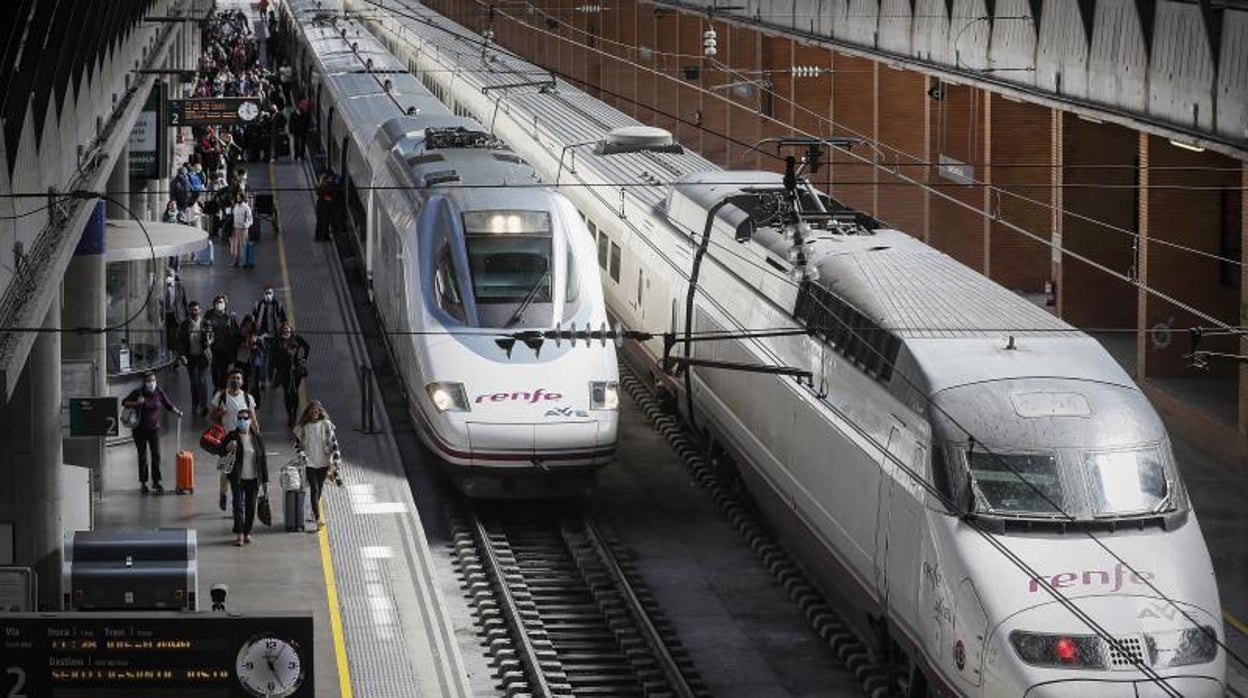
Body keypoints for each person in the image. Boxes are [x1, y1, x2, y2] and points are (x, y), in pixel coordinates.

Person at [121, 371, 183, 495]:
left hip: (154, 428)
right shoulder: (138, 393)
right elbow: (124, 402)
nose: (152, 383)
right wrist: (137, 403)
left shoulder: (158, 392)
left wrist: (177, 412)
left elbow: (167, 404)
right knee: (142, 456)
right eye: (149, 381)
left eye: (153, 380)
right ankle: (143, 482)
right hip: (139, 429)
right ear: (145, 382)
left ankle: (156, 481)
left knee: (156, 455)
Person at [212, 370, 259, 512]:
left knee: (241, 472)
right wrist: (220, 413)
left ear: (242, 381)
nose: (236, 381)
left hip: (244, 440)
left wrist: (257, 437)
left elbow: (253, 419)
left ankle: (238, 502)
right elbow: (211, 416)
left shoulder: (247, 398)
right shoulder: (221, 396)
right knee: (226, 472)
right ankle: (223, 493)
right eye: (233, 378)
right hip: (227, 441)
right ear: (228, 379)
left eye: (238, 378)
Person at [220, 407, 268, 546]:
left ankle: (247, 532)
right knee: (238, 506)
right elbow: (221, 451)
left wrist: (265, 481)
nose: (242, 421)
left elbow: (263, 459)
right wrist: (228, 447)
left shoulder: (257, 438)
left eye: (245, 418)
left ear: (250, 420)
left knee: (250, 507)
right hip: (237, 478)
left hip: (253, 479)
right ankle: (239, 534)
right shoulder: (231, 436)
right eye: (239, 418)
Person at [293, 401, 340, 530]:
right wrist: (302, 455)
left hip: (324, 462)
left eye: (317, 411)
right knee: (314, 489)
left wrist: (335, 461)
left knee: (319, 489)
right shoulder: (303, 428)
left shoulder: (326, 425)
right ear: (308, 412)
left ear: (320, 412)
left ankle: (314, 512)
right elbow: (297, 445)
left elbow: (334, 444)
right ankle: (318, 518)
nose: (315, 413)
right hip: (310, 463)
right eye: (312, 411)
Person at [271, 323, 310, 427]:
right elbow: (272, 357)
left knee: (295, 391)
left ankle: (294, 413)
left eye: (287, 329)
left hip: (295, 370)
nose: (286, 331)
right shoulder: (277, 341)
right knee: (287, 392)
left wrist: (304, 358)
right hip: (283, 371)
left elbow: (307, 346)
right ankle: (290, 415)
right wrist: (272, 371)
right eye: (284, 330)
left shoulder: (296, 339)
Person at [177, 301, 212, 416]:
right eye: (192, 310)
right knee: (193, 382)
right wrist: (182, 355)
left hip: (203, 357)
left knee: (202, 380)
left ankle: (203, 404)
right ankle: (195, 403)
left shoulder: (206, 323)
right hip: (190, 357)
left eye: (196, 310)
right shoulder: (184, 324)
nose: (194, 312)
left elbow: (212, 337)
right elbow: (180, 341)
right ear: (189, 311)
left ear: (200, 310)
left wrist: (209, 340)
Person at [205, 294, 241, 392]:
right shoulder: (209, 315)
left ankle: (222, 388)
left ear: (225, 304)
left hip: (226, 349)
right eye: (217, 302)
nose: (219, 304)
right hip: (214, 349)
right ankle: (216, 387)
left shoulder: (230, 316)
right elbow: (204, 329)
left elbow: (236, 333)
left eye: (221, 302)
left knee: (224, 371)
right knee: (214, 370)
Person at [252, 285, 286, 385]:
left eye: (270, 293)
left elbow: (284, 320)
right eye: (266, 293)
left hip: (275, 337)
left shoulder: (278, 305)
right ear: (263, 294)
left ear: (273, 293)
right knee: (263, 359)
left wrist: (282, 333)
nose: (268, 295)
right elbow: (253, 319)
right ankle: (262, 381)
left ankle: (270, 378)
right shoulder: (258, 305)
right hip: (262, 337)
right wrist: (256, 334)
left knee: (272, 360)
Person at [161, 269, 188, 354]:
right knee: (167, 337)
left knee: (176, 336)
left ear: (174, 276)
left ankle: (176, 355)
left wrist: (187, 317)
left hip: (177, 315)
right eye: (166, 276)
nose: (168, 278)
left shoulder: (179, 287)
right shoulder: (161, 287)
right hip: (166, 315)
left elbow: (184, 302)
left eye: (170, 276)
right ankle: (168, 354)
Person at [230, 192, 252, 267]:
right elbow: (234, 217)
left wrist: (246, 225)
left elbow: (250, 219)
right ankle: (235, 261)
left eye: (239, 197)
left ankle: (244, 261)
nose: (237, 199)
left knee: (243, 245)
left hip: (243, 229)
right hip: (236, 228)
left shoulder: (246, 207)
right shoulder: (236, 207)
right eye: (237, 197)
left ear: (242, 198)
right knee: (235, 246)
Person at [314, 171, 337, 241]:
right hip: (324, 207)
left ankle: (317, 237)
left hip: (319, 206)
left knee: (319, 222)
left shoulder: (320, 185)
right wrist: (331, 199)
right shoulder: (326, 186)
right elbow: (327, 197)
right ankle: (324, 237)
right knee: (325, 222)